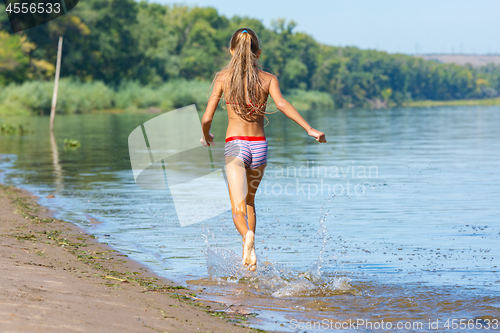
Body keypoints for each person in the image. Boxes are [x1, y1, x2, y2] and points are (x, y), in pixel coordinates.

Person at [201, 28, 326, 271]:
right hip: (259, 148)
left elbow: (207, 118)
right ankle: (249, 254)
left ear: (232, 51)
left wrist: (207, 136)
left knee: (237, 209)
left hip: (236, 147)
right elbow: (282, 104)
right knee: (250, 201)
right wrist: (309, 129)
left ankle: (248, 239)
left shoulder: (222, 78)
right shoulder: (268, 79)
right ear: (258, 52)